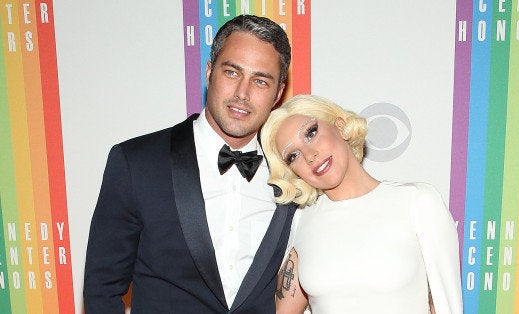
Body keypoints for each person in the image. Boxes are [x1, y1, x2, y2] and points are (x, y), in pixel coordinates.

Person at [83, 15, 297, 313]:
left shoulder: (292, 175)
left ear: (278, 94)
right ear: (210, 73)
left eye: (260, 81)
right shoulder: (137, 163)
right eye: (232, 72)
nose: (242, 94)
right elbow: (101, 289)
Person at [260, 95, 463, 313]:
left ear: (340, 126)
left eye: (311, 133)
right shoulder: (301, 221)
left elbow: (445, 304)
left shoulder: (417, 202)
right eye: (293, 156)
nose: (310, 156)